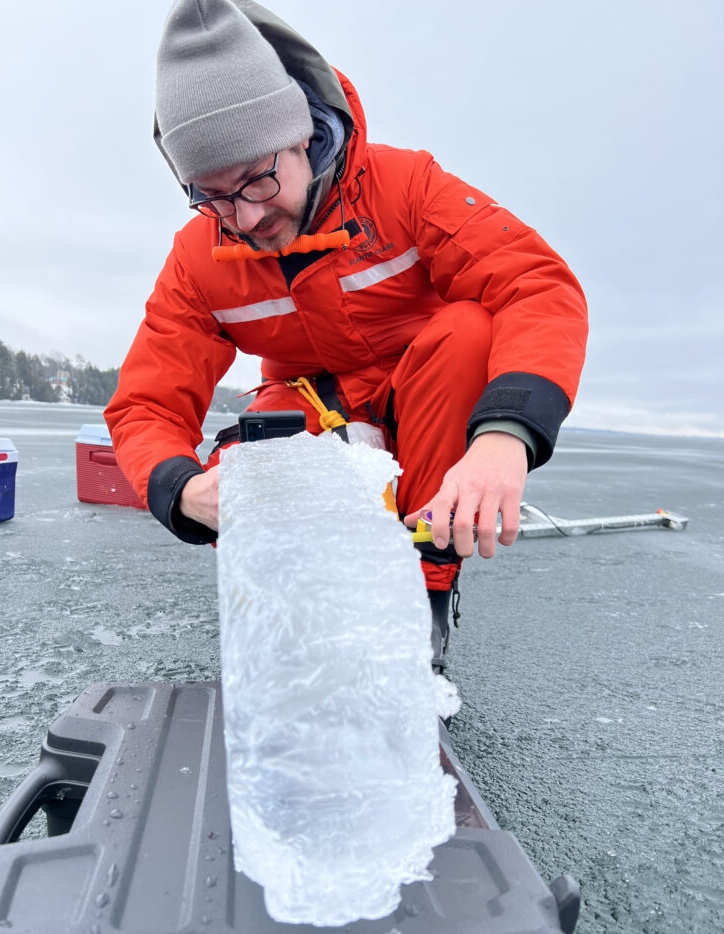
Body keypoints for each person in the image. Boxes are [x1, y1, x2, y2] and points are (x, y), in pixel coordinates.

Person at [105, 0, 588, 669]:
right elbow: (146, 404)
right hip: (314, 402)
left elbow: (536, 287)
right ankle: (302, 618)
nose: (244, 217)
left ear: (302, 133)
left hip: (425, 391)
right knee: (247, 460)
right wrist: (183, 490)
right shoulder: (198, 256)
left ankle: (422, 604)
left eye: (257, 179)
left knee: (469, 331)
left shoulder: (406, 187)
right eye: (213, 196)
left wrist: (505, 441)